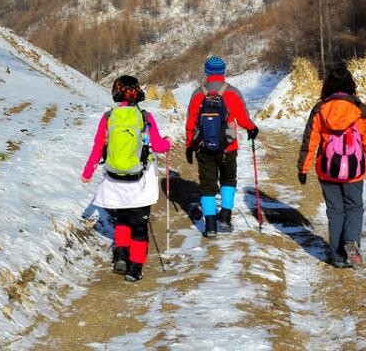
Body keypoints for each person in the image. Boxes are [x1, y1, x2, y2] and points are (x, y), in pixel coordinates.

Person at [82, 75, 172, 282]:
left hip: (114, 180)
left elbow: (98, 147)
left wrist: (88, 172)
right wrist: (167, 142)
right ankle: (135, 267)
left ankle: (120, 257)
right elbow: (158, 146)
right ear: (137, 93)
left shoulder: (108, 117)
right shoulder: (145, 117)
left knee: (122, 219)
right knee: (139, 226)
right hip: (139, 180)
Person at [297, 65, 366, 268]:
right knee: (354, 207)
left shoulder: (320, 110)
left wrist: (303, 168)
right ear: (351, 85)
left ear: (327, 86)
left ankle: (337, 256)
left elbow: (311, 141)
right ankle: (351, 241)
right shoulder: (360, 111)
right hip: (354, 171)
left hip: (327, 170)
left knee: (335, 211)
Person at [185, 56, 259, 237]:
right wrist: (252, 128)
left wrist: (189, 146)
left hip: (203, 147)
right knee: (228, 180)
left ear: (207, 72)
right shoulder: (233, 92)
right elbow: (243, 118)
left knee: (208, 185)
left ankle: (210, 226)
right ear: (223, 71)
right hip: (228, 146)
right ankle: (225, 219)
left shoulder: (197, 93)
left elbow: (190, 123)